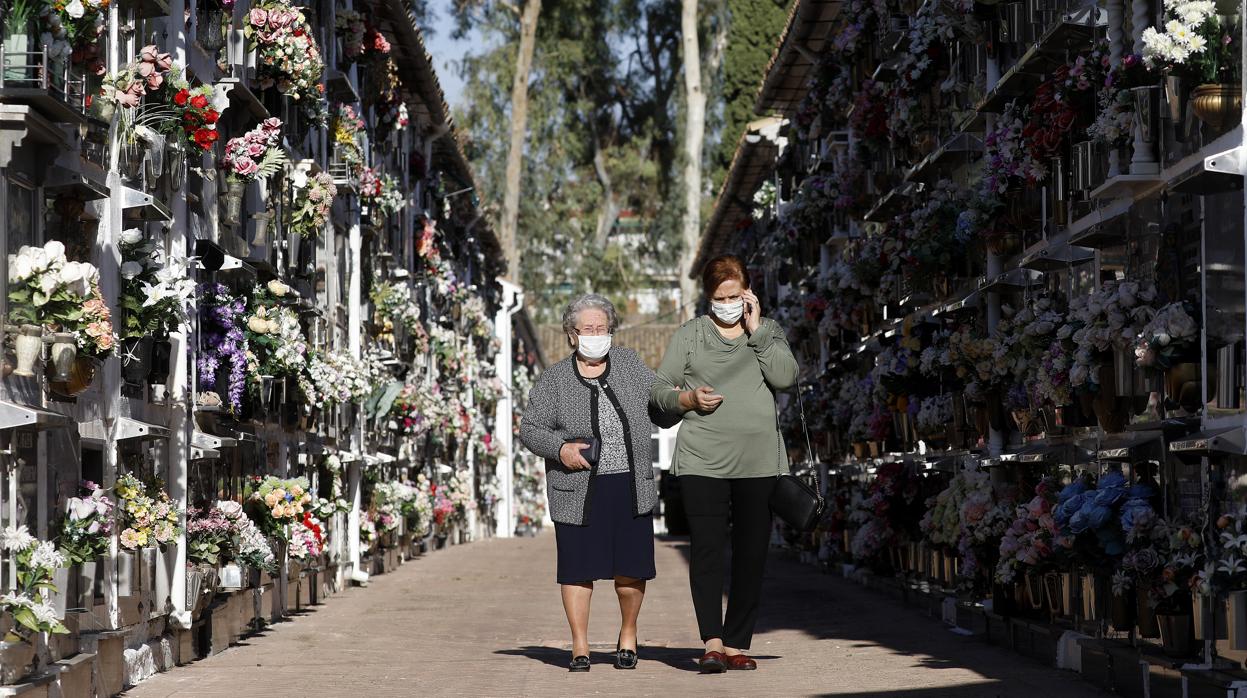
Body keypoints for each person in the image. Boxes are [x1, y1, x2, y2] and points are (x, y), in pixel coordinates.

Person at [650, 254, 799, 673]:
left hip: (759, 463)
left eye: (735, 296)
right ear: (708, 298)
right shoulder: (691, 335)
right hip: (703, 460)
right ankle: (712, 642)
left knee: (752, 553)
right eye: (720, 297)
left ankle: (737, 643)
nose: (728, 303)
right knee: (708, 550)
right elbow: (659, 390)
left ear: (748, 293)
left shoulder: (768, 332)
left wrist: (757, 332)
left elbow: (787, 377)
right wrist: (688, 399)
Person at [519, 293, 670, 672]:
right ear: (572, 335)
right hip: (578, 489)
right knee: (577, 569)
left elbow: (659, 399)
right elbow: (530, 429)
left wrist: (683, 399)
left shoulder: (630, 365)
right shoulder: (554, 379)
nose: (596, 335)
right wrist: (560, 448)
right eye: (588, 329)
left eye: (602, 328)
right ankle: (580, 645)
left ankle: (629, 635)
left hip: (629, 485)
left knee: (631, 568)